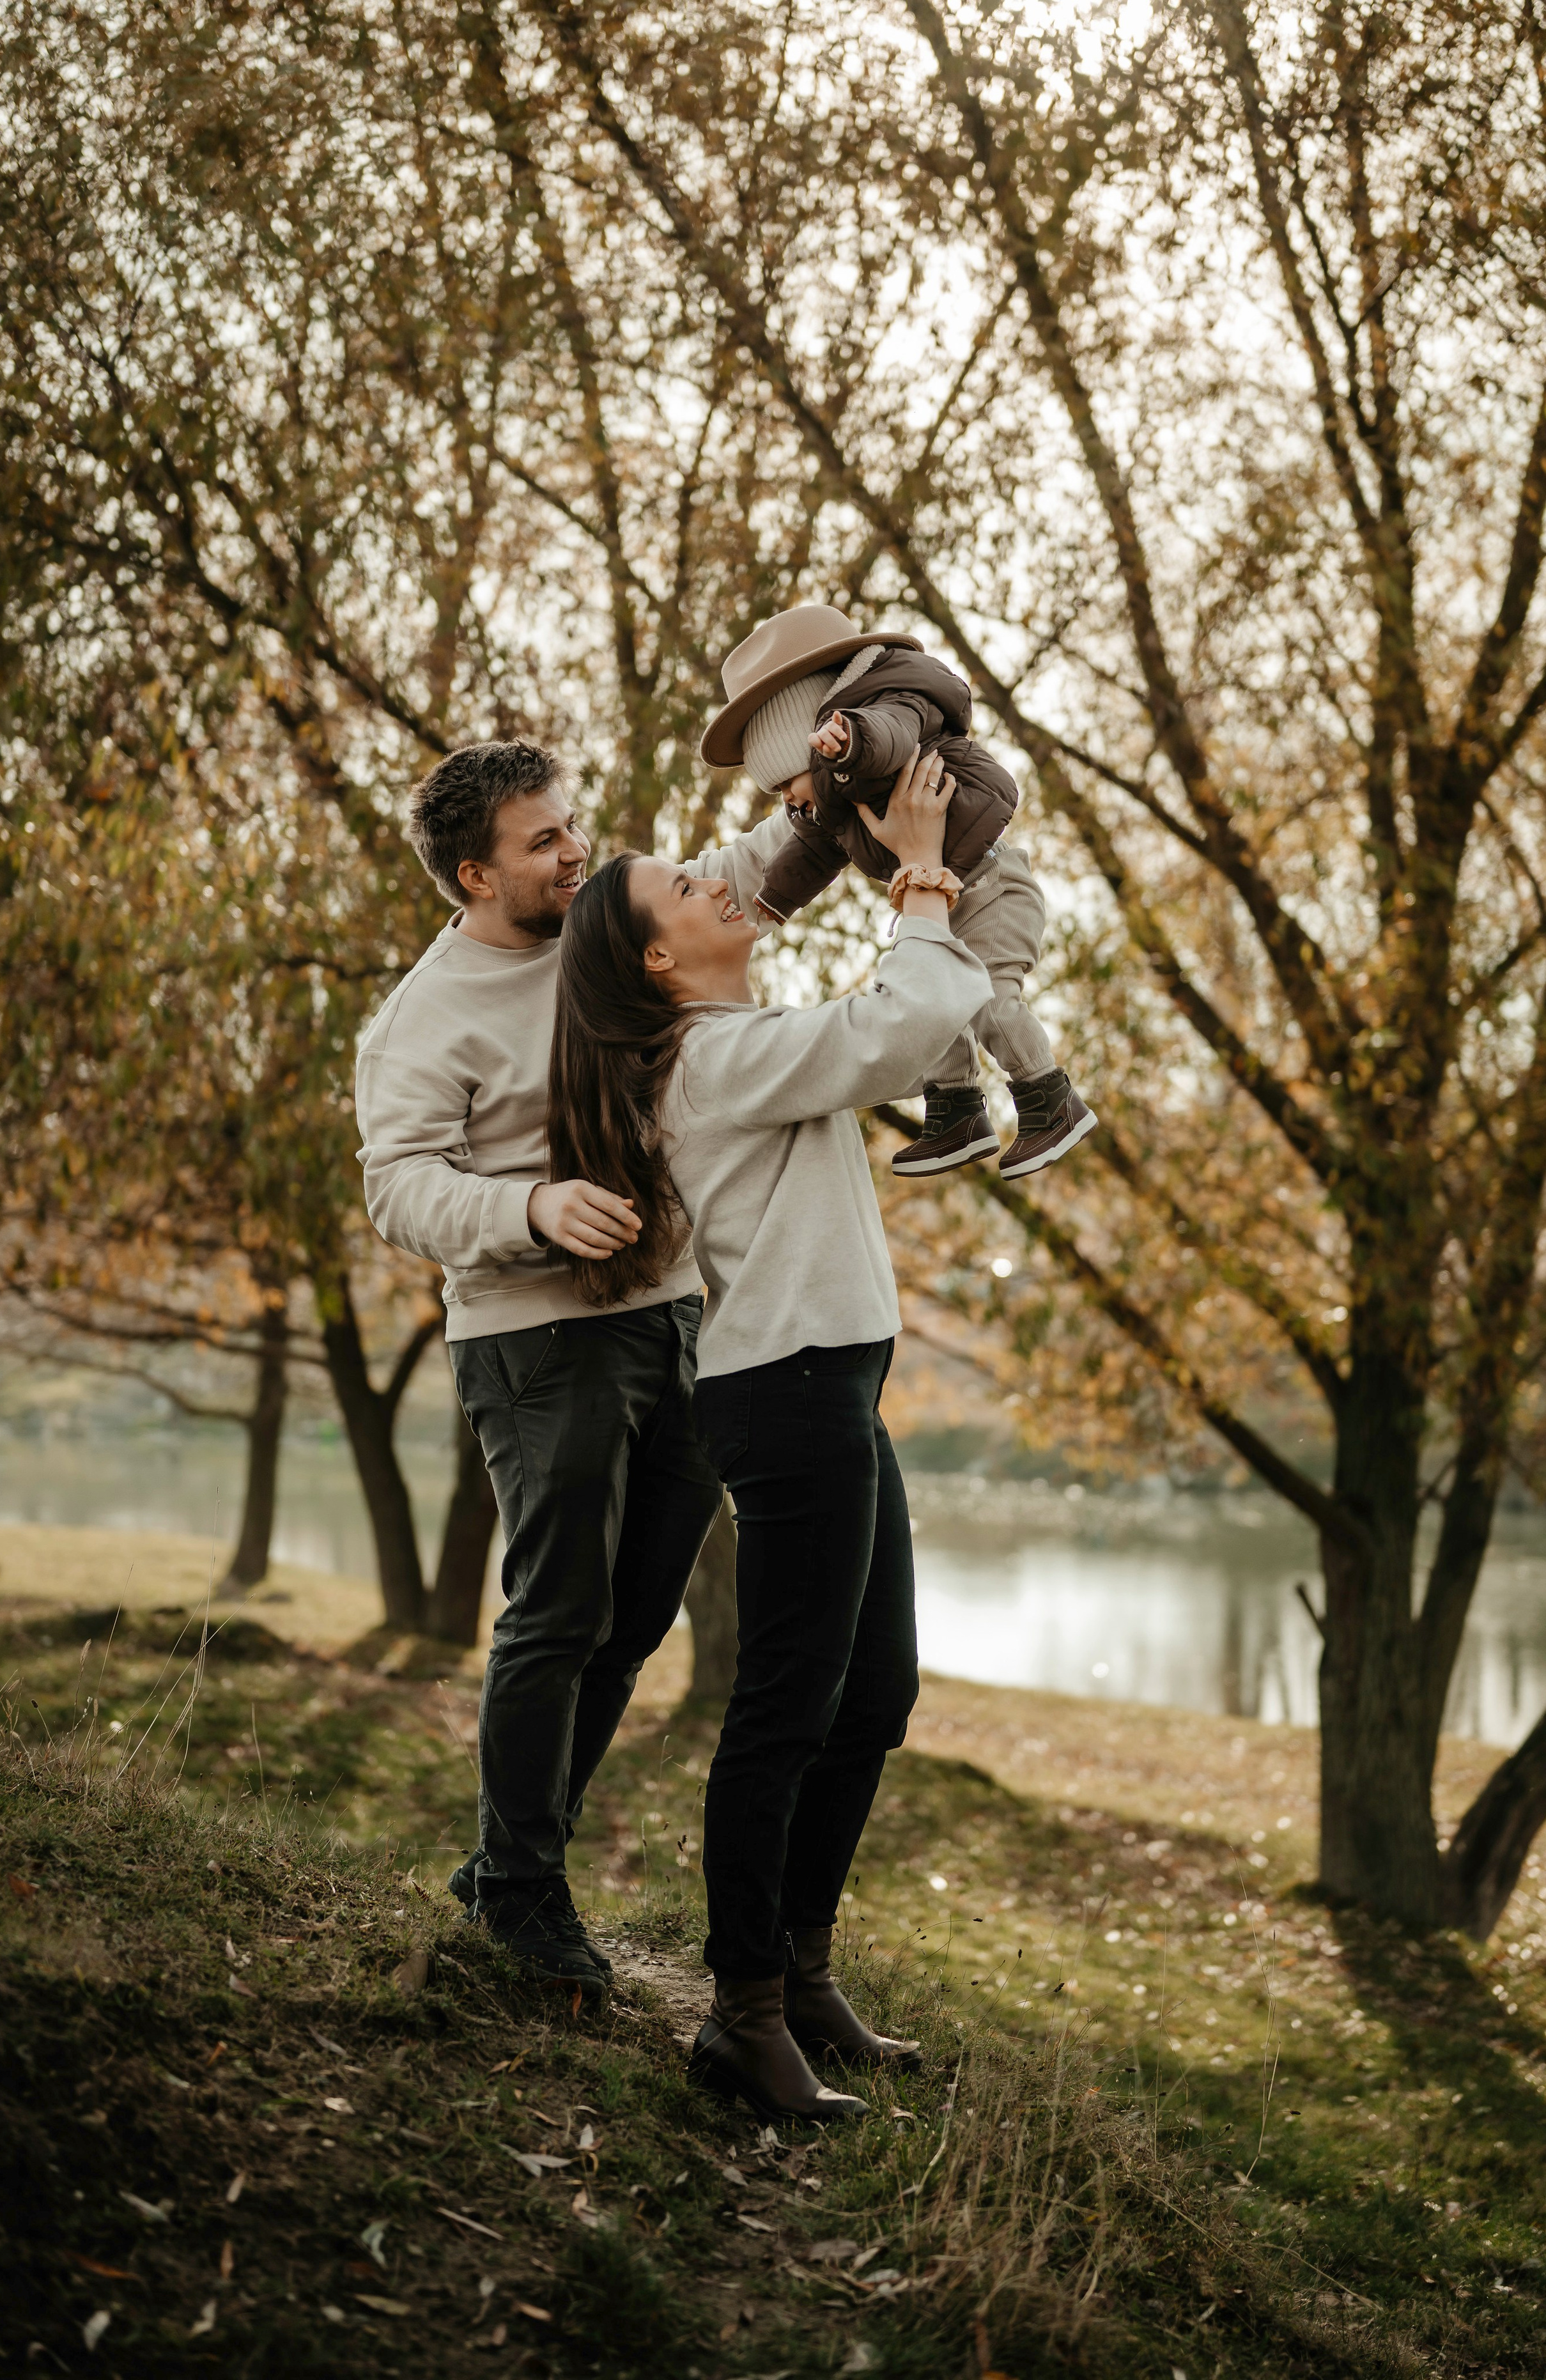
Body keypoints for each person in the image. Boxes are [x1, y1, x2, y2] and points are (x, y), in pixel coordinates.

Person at [548, 747, 991, 2121]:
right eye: (680, 886)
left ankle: (799, 1975)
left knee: (873, 1697)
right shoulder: (709, 1060)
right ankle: (738, 2012)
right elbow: (898, 1028)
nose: (714, 879)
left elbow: (872, 1011)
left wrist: (818, 808)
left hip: (833, 1383)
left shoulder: (732, 1039)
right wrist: (918, 875)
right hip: (785, 1392)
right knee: (786, 1706)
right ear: (658, 963)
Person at [354, 739, 792, 2004]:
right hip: (534, 1339)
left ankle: (507, 1853)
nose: (571, 850)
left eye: (569, 824)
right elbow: (396, 1185)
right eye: (541, 840)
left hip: (670, 1314)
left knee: (638, 1610)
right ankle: (524, 1896)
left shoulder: (599, 932)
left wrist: (824, 795)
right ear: (469, 873)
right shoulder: (423, 1018)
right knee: (556, 1613)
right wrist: (531, 1208)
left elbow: (740, 879)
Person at [700, 601, 1096, 1180]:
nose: (788, 802)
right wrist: (772, 901)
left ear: (815, 739)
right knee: (932, 1000)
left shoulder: (895, 711)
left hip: (992, 889)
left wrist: (850, 743)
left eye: (788, 781)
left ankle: (1049, 1097)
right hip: (949, 897)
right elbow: (807, 853)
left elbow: (888, 736)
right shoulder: (835, 810)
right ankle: (957, 1110)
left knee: (989, 1000)